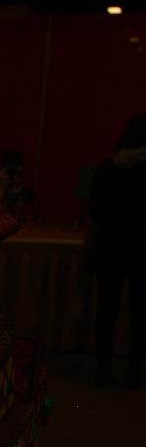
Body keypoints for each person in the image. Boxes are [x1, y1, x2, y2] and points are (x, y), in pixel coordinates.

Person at [87, 114, 146, 388]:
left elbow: (94, 208)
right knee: (139, 312)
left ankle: (103, 367)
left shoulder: (109, 167)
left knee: (107, 310)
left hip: (110, 245)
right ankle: (134, 368)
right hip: (141, 247)